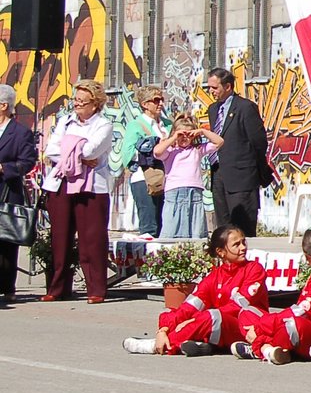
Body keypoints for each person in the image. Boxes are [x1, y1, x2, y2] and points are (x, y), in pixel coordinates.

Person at [122, 225, 268, 355]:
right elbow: (189, 306)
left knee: (212, 317)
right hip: (221, 328)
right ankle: (197, 343)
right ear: (221, 252)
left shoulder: (254, 269)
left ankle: (157, 346)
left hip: (248, 328)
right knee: (170, 313)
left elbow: (237, 307)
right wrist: (164, 329)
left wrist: (194, 320)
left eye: (243, 242)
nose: (243, 247)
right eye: (236, 244)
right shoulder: (214, 276)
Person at [41, 79, 117, 303]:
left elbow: (94, 150)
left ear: (95, 104)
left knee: (91, 238)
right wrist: (77, 154)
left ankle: (96, 289)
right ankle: (58, 288)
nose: (77, 104)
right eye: (76, 100)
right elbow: (51, 150)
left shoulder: (103, 124)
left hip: (92, 186)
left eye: (82, 101)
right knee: (60, 237)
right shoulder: (65, 121)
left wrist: (70, 150)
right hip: (61, 182)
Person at [232, 226, 311, 364]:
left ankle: (262, 348)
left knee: (292, 325)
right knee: (248, 312)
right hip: (305, 322)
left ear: (307, 257)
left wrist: (259, 328)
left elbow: (296, 313)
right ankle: (269, 348)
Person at [205, 68, 272, 236]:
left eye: (214, 87)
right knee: (224, 228)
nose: (211, 91)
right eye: (209, 88)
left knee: (242, 228)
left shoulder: (245, 107)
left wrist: (252, 168)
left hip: (242, 176)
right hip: (219, 173)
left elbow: (258, 142)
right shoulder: (213, 109)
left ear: (228, 87)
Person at [0, 84, 40, 305]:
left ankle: (7, 287)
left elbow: (27, 162)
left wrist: (4, 169)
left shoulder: (20, 132)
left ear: (4, 106)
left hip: (7, 191)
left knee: (6, 243)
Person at [115, 84, 168, 237]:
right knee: (150, 224)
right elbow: (127, 154)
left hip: (169, 178)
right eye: (156, 100)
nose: (161, 103)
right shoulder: (136, 125)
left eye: (162, 99)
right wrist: (151, 152)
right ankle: (150, 259)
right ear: (145, 104)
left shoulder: (168, 124)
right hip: (145, 179)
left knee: (165, 224)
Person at [152, 114, 216, 239]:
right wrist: (174, 137)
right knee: (172, 224)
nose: (184, 138)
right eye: (182, 135)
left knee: (195, 226)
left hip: (195, 191)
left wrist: (202, 131)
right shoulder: (170, 151)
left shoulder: (197, 149)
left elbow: (219, 142)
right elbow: (157, 151)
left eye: (188, 135)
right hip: (175, 192)